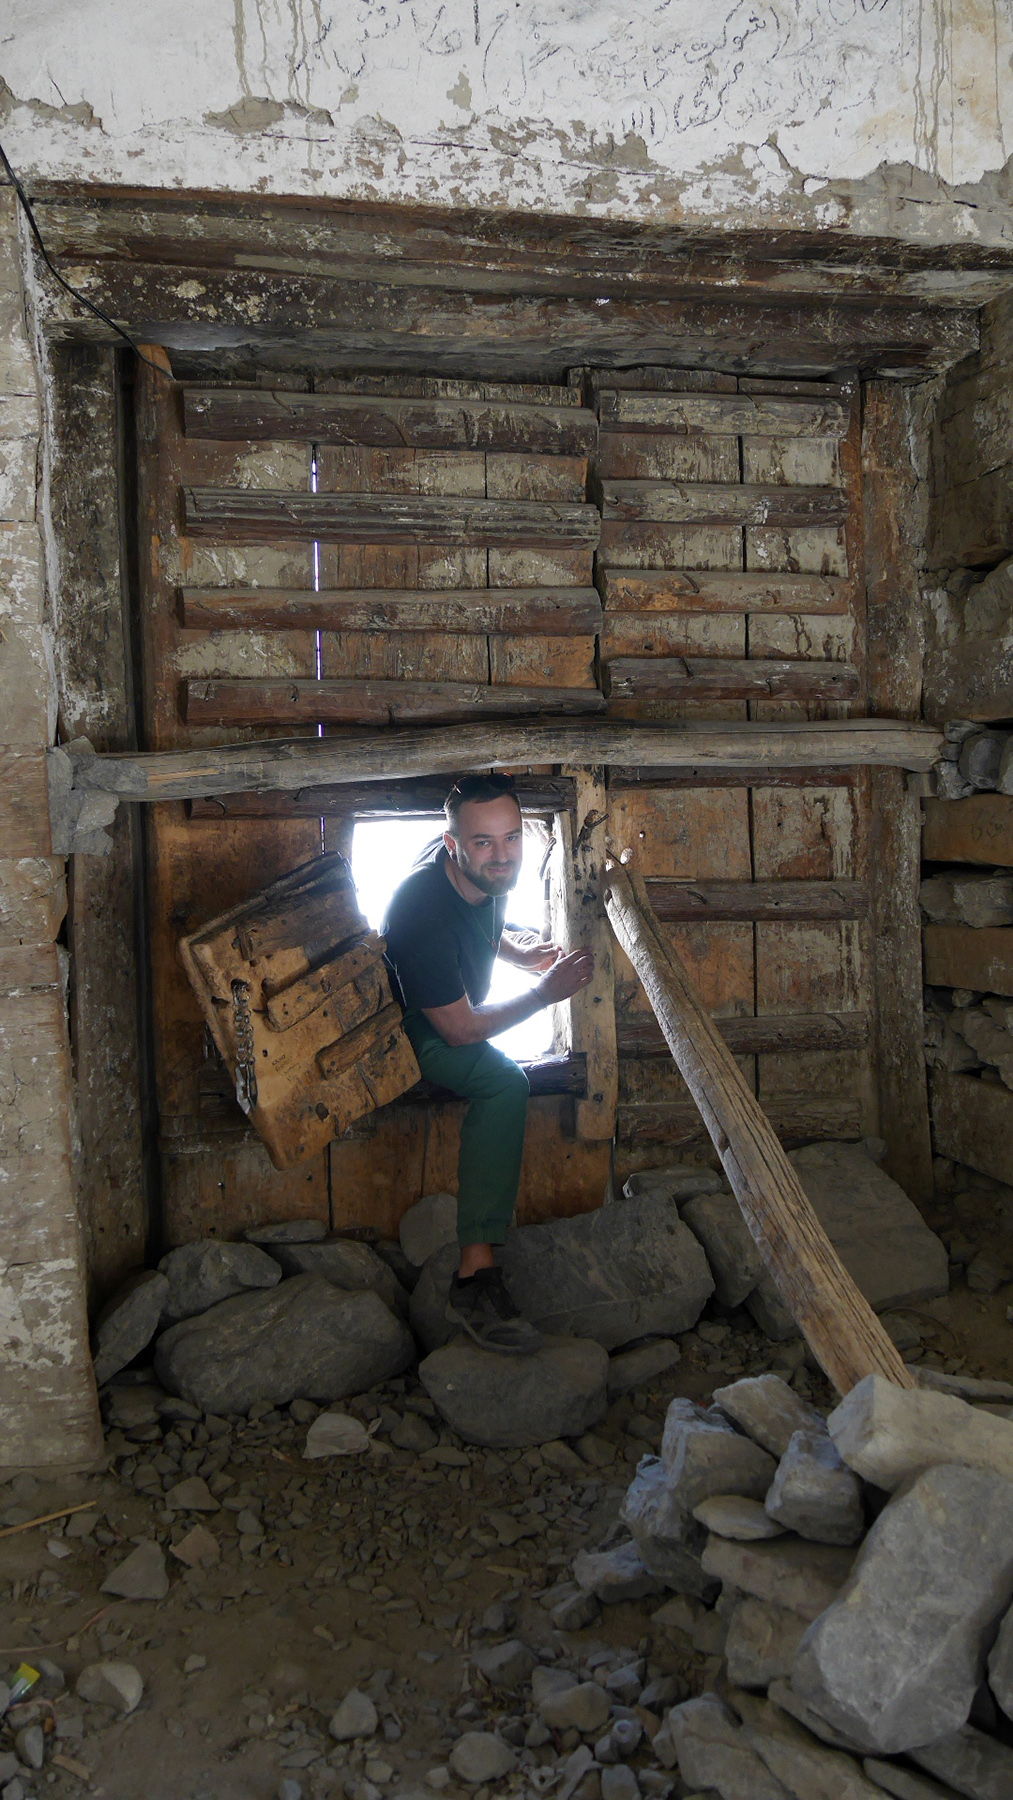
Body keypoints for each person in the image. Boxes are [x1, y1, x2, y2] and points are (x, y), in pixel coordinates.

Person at [382, 773, 595, 1354]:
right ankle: (474, 1276)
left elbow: (477, 910)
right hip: (415, 1028)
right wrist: (544, 993)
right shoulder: (419, 908)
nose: (502, 856)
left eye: (512, 838)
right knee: (504, 1083)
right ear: (452, 845)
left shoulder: (485, 867)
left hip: (450, 1009)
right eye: (483, 843)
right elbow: (458, 1029)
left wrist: (518, 951)